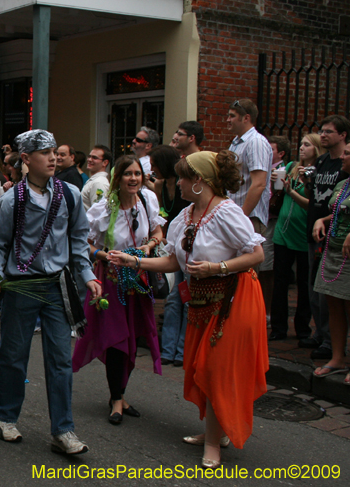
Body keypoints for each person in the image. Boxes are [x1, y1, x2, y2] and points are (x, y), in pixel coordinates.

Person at [108, 150, 268, 468]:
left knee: (216, 369)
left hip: (234, 300)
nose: (176, 183)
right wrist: (134, 261)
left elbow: (256, 254)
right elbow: (172, 261)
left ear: (199, 181)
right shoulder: (185, 216)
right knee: (201, 366)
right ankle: (217, 429)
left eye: (182, 177)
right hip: (200, 301)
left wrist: (217, 267)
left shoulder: (226, 212)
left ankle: (213, 443)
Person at [0, 129, 100, 455]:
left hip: (57, 287)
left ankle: (63, 430)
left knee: (61, 359)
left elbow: (78, 241)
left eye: (54, 152)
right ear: (26, 158)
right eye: (44, 153)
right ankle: (4, 416)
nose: (52, 158)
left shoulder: (70, 194)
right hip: (21, 287)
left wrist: (88, 275)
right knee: (13, 354)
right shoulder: (11, 200)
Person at [72, 155, 165, 425]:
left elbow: (158, 231)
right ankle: (115, 398)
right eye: (127, 174)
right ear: (117, 178)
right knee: (116, 339)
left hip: (139, 279)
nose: (133, 178)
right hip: (112, 280)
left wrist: (148, 247)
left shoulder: (147, 200)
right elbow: (83, 242)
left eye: (137, 173)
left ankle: (121, 394)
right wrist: (103, 255)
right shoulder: (103, 208)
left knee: (133, 336)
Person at [268, 134, 324, 341]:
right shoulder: (291, 166)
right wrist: (275, 183)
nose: (301, 148)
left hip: (303, 233)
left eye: (307, 145)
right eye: (301, 144)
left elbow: (311, 205)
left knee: (304, 282)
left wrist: (292, 191)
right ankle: (278, 328)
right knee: (280, 282)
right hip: (283, 232)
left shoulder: (318, 173)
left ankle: (302, 328)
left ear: (316, 149)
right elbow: (279, 191)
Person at [302, 115, 349, 359]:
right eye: (321, 130)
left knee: (333, 293)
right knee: (316, 287)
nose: (323, 135)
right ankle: (321, 334)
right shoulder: (321, 161)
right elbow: (317, 196)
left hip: (339, 239)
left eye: (329, 131)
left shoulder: (343, 168)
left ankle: (331, 343)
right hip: (318, 231)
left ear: (342, 135)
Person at [149, 145, 192, 367]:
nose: (152, 169)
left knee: (187, 299)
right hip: (172, 246)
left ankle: (182, 351)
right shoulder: (159, 185)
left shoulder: (185, 183)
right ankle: (167, 350)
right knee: (174, 299)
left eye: (154, 164)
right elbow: (161, 215)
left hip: (190, 245)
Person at [311, 140, 350, 383]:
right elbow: (337, 211)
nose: (342, 157)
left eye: (347, 153)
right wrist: (322, 220)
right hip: (333, 251)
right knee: (333, 304)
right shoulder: (343, 184)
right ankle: (337, 357)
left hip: (349, 256)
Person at [227, 99, 273, 234]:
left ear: (246, 118)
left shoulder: (256, 142)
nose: (228, 120)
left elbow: (259, 184)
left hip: (249, 217)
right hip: (234, 214)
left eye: (232, 116)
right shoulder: (236, 142)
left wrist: (242, 217)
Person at [259, 135, 291, 320]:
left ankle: (268, 312)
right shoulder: (263, 167)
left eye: (271, 149)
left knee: (266, 268)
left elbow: (278, 196)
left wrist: (274, 182)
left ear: (281, 153)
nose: (267, 152)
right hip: (261, 220)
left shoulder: (282, 170)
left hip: (271, 221)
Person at [80, 145, 112, 210]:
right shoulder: (95, 181)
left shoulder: (99, 183)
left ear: (105, 162)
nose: (89, 160)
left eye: (94, 158)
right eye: (89, 156)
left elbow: (98, 212)